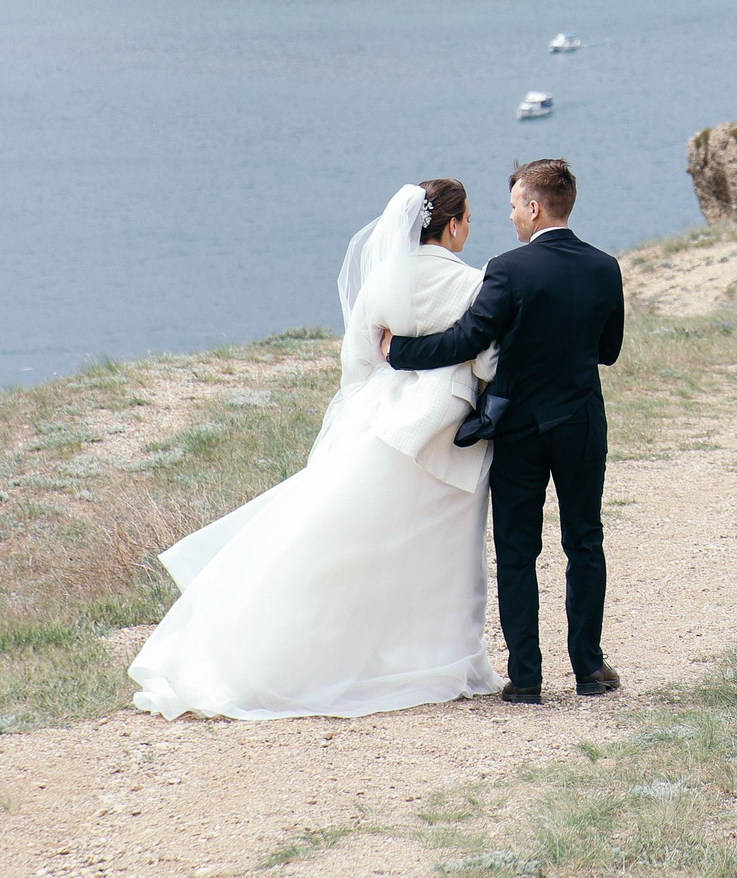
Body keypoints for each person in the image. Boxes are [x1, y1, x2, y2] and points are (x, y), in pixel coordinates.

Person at [127, 180, 504, 719]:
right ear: (450, 226)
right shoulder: (472, 283)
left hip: (384, 419)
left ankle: (346, 654)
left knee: (361, 544)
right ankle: (453, 662)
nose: (469, 228)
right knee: (447, 552)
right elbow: (488, 361)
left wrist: (390, 374)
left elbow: (357, 362)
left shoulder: (382, 282)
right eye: (467, 218)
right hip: (445, 431)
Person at [385, 157, 624, 703]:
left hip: (517, 427)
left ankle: (527, 679)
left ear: (535, 207)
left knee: (518, 550)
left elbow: (468, 339)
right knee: (584, 540)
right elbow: (608, 352)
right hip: (581, 421)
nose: (510, 214)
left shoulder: (508, 269)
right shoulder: (605, 267)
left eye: (515, 204)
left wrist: (399, 351)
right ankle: (589, 670)